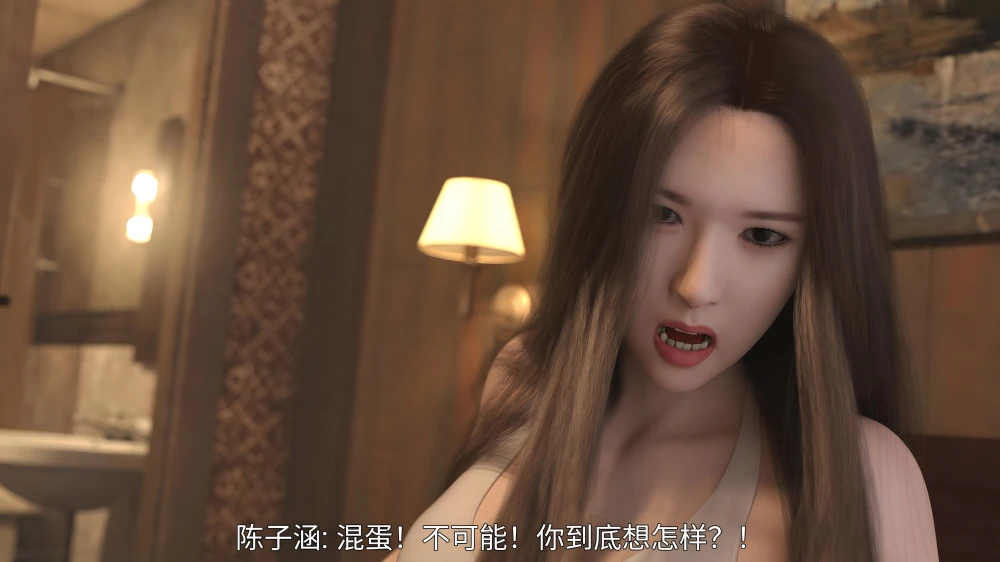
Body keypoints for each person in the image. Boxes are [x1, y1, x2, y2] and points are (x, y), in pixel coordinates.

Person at [384, 1, 937, 560]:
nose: (695, 286)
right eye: (662, 214)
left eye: (763, 235)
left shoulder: (864, 473)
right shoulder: (521, 377)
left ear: (815, 261)